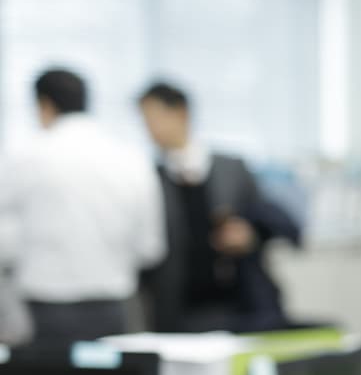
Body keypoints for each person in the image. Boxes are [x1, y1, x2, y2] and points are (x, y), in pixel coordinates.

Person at [0, 68, 165, 346]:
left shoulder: (24, 158)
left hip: (43, 307)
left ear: (44, 104)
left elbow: (5, 242)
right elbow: (149, 249)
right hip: (113, 305)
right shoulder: (130, 158)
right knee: (109, 374)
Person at [137, 82, 301, 333]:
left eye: (154, 118)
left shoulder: (232, 169)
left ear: (181, 113)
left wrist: (249, 235)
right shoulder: (150, 178)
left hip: (240, 305)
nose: (150, 129)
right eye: (145, 121)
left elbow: (269, 221)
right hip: (179, 312)